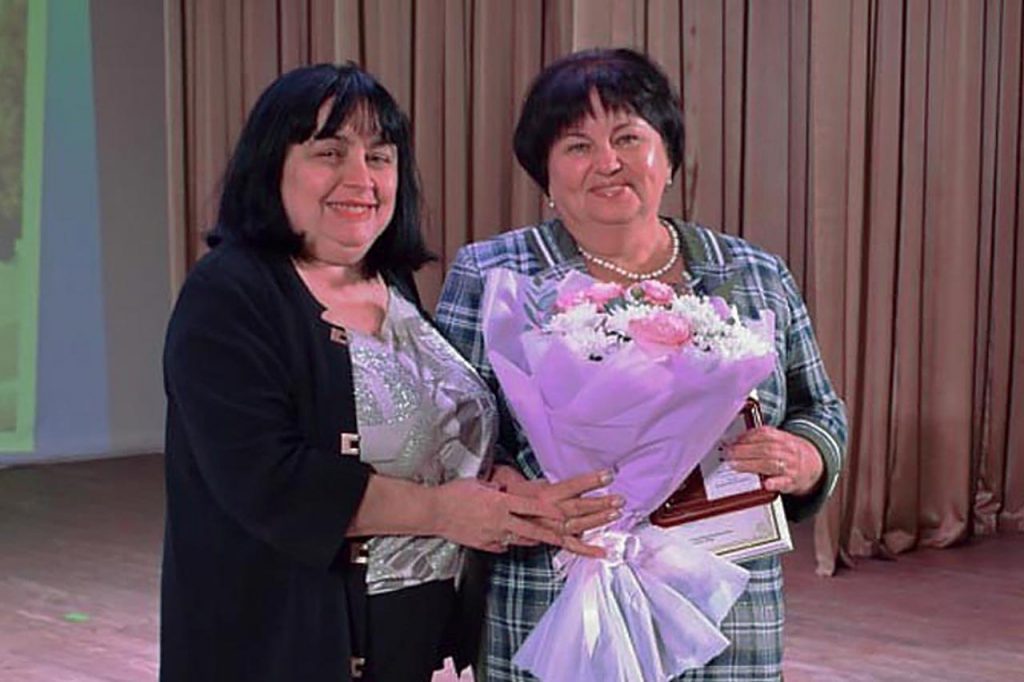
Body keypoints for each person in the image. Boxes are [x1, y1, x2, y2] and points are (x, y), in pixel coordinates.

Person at [160, 62, 620, 682]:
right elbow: (270, 481)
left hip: (414, 639)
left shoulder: (389, 281)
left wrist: (504, 489)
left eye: (379, 157)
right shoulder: (229, 295)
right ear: (271, 166)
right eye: (330, 153)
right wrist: (444, 513)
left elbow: (428, 431)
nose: (361, 178)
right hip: (284, 645)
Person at [435, 48, 848, 681]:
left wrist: (806, 456)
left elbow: (819, 406)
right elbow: (449, 433)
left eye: (628, 137)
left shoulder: (753, 273)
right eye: (578, 146)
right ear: (544, 174)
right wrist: (510, 492)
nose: (608, 162)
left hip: (724, 604)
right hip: (551, 591)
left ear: (669, 156)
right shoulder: (495, 274)